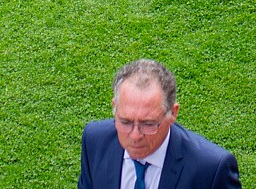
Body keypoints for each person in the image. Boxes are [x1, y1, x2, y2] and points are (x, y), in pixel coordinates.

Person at [75, 59, 241, 189]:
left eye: (148, 124)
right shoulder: (95, 141)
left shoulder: (211, 169)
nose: (135, 136)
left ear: (173, 113)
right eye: (125, 122)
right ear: (114, 108)